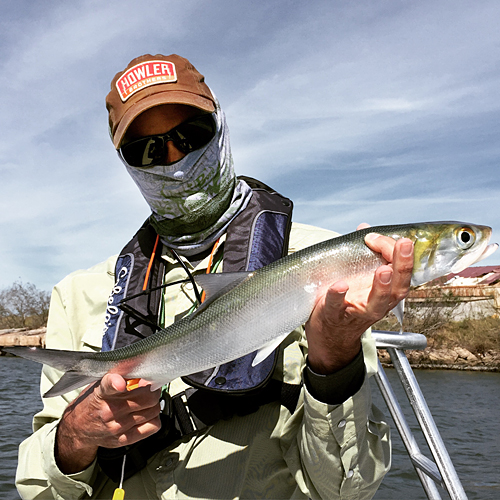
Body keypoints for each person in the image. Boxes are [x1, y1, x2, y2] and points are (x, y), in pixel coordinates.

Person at [16, 54, 414, 500]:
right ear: (127, 164)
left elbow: (346, 490)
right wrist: (76, 436)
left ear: (221, 128)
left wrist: (333, 358)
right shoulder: (77, 293)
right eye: (147, 149)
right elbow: (39, 492)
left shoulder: (329, 265)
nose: (173, 159)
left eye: (190, 134)